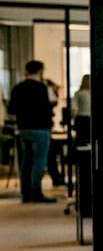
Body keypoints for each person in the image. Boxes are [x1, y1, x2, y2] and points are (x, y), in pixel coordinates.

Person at [9, 60, 57, 203]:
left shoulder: (17, 88)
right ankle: (36, 191)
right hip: (40, 128)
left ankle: (26, 193)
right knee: (39, 161)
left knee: (26, 161)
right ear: (40, 71)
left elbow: (11, 109)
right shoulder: (43, 88)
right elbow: (50, 104)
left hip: (24, 127)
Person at [71, 75, 92, 148]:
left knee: (80, 141)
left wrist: (73, 119)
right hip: (88, 119)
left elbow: (74, 109)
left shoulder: (78, 93)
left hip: (81, 119)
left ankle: (81, 157)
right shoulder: (93, 93)